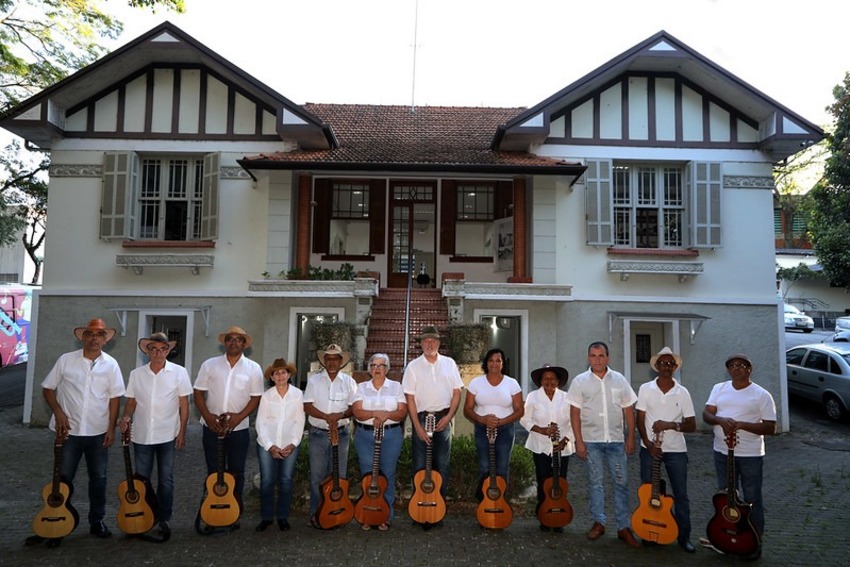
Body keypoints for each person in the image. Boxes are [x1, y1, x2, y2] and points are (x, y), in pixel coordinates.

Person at [38, 318, 125, 545]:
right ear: (83, 337)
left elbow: (115, 398)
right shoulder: (66, 360)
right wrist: (58, 411)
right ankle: (59, 523)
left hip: (97, 431)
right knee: (63, 480)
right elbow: (48, 389)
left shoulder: (112, 364)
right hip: (69, 432)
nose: (94, 338)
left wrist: (111, 428)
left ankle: (97, 521)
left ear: (105, 340)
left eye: (99, 335)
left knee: (99, 479)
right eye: (90, 334)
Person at [119, 332, 192, 539]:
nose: (158, 353)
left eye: (162, 349)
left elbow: (184, 405)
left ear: (168, 351)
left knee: (166, 479)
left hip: (167, 433)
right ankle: (144, 516)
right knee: (141, 481)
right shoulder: (136, 374)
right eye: (154, 349)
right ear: (147, 351)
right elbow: (131, 401)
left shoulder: (179, 372)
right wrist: (125, 417)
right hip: (141, 434)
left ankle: (164, 518)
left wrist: (182, 432)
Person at [702, 352, 776, 556]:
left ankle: (754, 543)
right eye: (732, 365)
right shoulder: (719, 388)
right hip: (722, 452)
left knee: (752, 499)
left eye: (741, 365)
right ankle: (726, 540)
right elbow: (707, 414)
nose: (737, 368)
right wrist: (721, 420)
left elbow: (770, 427)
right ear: (728, 370)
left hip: (750, 454)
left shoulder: (761, 394)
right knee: (725, 498)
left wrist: (741, 425)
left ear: (749, 369)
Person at [567, 341, 640, 548]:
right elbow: (574, 413)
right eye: (593, 355)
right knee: (595, 483)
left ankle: (623, 527)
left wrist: (631, 437)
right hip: (591, 441)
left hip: (616, 441)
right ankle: (599, 522)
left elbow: (628, 410)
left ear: (608, 357)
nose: (597, 360)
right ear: (588, 357)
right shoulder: (580, 381)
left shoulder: (620, 380)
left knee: (621, 483)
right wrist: (578, 441)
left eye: (601, 356)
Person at [193, 325, 264, 528]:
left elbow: (256, 397)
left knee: (236, 472)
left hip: (238, 429)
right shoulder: (209, 365)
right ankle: (212, 511)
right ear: (225, 342)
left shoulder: (253, 368)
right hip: (211, 427)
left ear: (244, 344)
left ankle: (233, 513)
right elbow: (198, 393)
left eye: (238, 339)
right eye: (230, 339)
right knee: (214, 471)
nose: (234, 342)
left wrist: (239, 417)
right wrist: (207, 417)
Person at [635, 347, 696, 553]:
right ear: (656, 367)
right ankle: (649, 531)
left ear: (676, 367)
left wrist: (671, 425)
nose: (667, 367)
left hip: (676, 451)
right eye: (663, 363)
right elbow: (640, 419)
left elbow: (692, 424)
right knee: (649, 492)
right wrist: (648, 444)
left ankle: (684, 537)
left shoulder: (683, 392)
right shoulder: (645, 389)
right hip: (649, 450)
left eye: (671, 364)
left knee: (680, 494)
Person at [402, 326, 463, 507]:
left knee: (442, 465)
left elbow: (457, 393)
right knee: (419, 465)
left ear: (438, 343)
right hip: (421, 418)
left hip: (443, 417)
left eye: (433, 341)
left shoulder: (449, 363)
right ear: (420, 344)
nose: (429, 344)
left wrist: (449, 417)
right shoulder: (412, 367)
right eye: (426, 341)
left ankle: (439, 506)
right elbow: (410, 399)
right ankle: (418, 505)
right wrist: (418, 427)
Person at [303, 343, 357, 527]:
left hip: (341, 435)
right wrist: (327, 417)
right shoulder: (314, 381)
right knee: (317, 477)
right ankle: (316, 515)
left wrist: (340, 416)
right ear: (324, 361)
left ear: (341, 362)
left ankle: (337, 514)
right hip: (318, 434)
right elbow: (307, 406)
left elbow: (354, 408)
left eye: (336, 358)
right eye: (329, 358)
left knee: (339, 477)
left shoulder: (349, 382)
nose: (332, 362)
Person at [352, 353, 407, 531]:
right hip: (365, 436)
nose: (377, 369)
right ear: (369, 369)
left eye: (381, 366)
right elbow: (358, 412)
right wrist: (376, 414)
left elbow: (401, 412)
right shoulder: (361, 387)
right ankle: (367, 515)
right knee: (368, 475)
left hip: (391, 436)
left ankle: (385, 515)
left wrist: (387, 415)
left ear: (387, 369)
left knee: (387, 475)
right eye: (374, 365)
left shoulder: (396, 387)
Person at [520, 363, 574, 533]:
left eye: (552, 378)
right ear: (540, 381)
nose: (549, 381)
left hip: (562, 447)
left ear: (558, 381)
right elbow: (524, 419)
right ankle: (544, 516)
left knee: (560, 481)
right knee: (543, 481)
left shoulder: (567, 398)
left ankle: (559, 516)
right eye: (546, 379)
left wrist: (566, 439)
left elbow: (575, 421)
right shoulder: (533, 397)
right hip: (540, 445)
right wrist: (541, 430)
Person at [254, 358, 305, 533]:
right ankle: (266, 517)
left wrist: (293, 444)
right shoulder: (266, 396)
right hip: (267, 445)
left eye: (284, 372)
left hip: (290, 444)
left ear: (289, 374)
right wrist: (270, 446)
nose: (281, 375)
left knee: (286, 481)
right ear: (272, 377)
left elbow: (300, 421)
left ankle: (283, 517)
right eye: (277, 373)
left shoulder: (298, 395)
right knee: (267, 481)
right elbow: (260, 423)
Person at [464, 348, 524, 488]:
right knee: (484, 466)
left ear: (503, 364)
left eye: (498, 361)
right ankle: (486, 502)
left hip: (505, 430)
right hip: (482, 429)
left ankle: (501, 502)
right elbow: (467, 409)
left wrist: (502, 421)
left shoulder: (512, 383)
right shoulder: (476, 383)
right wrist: (482, 419)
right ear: (486, 363)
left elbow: (520, 410)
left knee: (502, 467)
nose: (494, 364)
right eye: (491, 360)